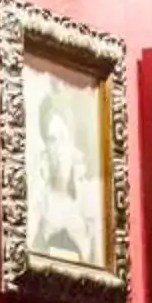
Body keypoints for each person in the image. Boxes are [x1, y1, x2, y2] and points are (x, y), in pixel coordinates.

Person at [31, 79, 103, 265]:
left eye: (62, 139)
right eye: (52, 140)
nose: (58, 149)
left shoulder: (89, 207)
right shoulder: (39, 205)